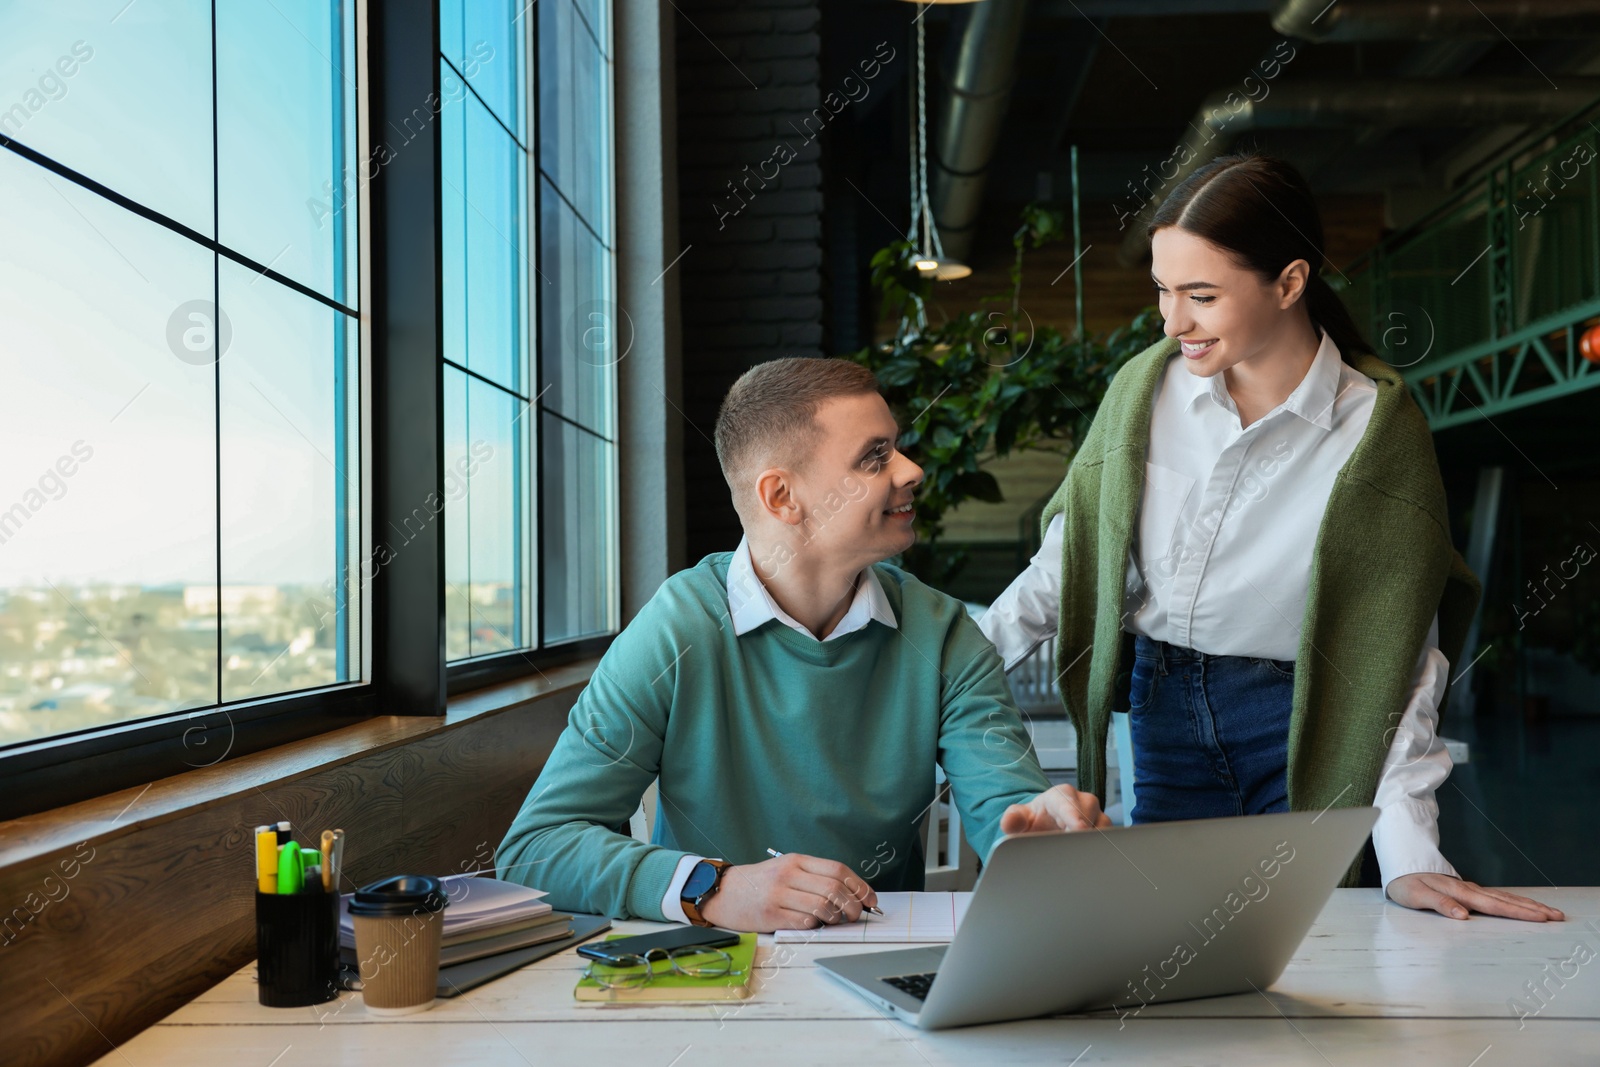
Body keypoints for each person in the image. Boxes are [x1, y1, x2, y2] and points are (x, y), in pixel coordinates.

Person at [980, 152, 1562, 924]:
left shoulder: (1376, 433)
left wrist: (1411, 858)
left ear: (1290, 282)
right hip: (1161, 711)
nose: (1171, 320)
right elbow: (1066, 570)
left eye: (1202, 295)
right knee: (1158, 954)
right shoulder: (1140, 394)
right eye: (1163, 288)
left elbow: (1395, 663)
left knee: (1313, 960)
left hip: (1306, 722)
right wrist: (939, 683)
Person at [496, 358, 1108, 933]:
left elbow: (1006, 803)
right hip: (705, 975)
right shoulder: (675, 631)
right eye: (875, 457)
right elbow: (534, 849)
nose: (911, 470)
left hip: (883, 970)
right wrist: (712, 889)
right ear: (782, 497)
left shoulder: (942, 633)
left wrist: (1037, 836)